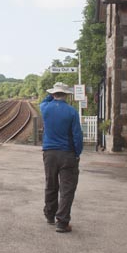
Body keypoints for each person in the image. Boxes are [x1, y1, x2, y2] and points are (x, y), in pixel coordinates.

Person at [40, 82, 83, 233]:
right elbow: (77, 135)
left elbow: (45, 101)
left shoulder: (45, 108)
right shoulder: (72, 112)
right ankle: (62, 222)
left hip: (49, 153)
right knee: (67, 189)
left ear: (53, 94)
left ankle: (50, 215)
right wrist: (77, 153)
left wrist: (50, 94)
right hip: (67, 154)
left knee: (51, 184)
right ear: (66, 95)